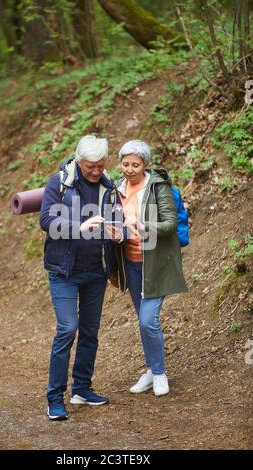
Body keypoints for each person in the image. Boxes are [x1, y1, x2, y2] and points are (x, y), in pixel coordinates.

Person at [40, 135, 123, 420]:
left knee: (90, 331)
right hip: (64, 272)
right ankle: (54, 398)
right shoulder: (60, 182)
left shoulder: (109, 186)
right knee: (68, 329)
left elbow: (117, 218)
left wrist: (118, 232)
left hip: (95, 271)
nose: (96, 171)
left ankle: (82, 389)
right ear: (79, 160)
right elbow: (47, 221)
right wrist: (80, 225)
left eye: (101, 165)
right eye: (91, 166)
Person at [116, 140, 187, 397]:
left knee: (148, 320)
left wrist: (145, 226)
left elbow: (168, 223)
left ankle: (158, 374)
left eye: (135, 164)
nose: (130, 169)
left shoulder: (157, 187)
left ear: (146, 164)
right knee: (143, 320)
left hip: (155, 263)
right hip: (130, 264)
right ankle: (151, 369)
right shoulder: (116, 189)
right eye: (125, 164)